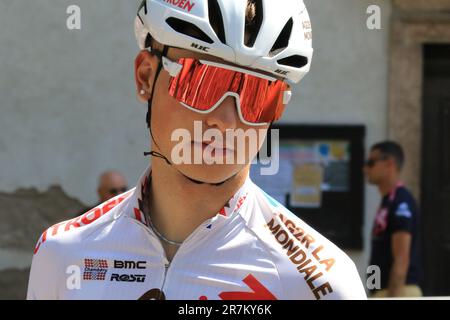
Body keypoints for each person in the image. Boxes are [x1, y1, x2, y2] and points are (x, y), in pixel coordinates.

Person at [27, 0, 366, 300]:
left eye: (258, 95)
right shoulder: (63, 254)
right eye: (201, 82)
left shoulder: (322, 284)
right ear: (146, 76)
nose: (226, 120)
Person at [364, 141, 422, 297]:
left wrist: (392, 296)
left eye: (371, 163)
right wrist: (373, 290)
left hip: (399, 291)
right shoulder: (387, 201)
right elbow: (377, 254)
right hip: (383, 291)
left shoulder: (401, 201)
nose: (365, 169)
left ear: (389, 163)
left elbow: (401, 258)